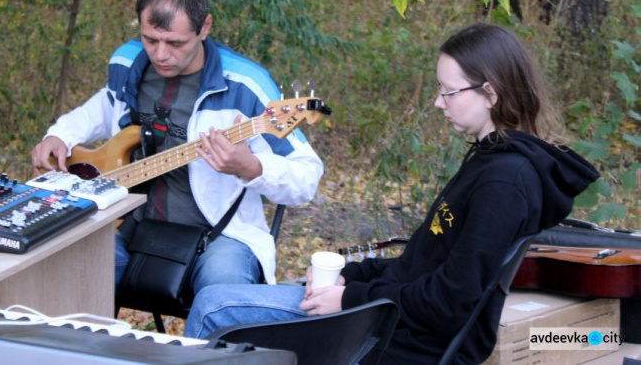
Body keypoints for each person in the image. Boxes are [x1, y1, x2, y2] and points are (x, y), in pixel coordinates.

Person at [183, 23, 600, 363]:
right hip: (386, 315)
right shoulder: (490, 160)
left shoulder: (505, 182)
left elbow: (450, 301)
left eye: (448, 92)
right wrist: (351, 275)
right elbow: (422, 263)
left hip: (398, 341)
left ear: (489, 94)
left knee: (215, 305)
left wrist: (350, 298)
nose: (439, 103)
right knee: (221, 300)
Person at [31, 0, 323, 293]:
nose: (160, 55)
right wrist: (59, 135)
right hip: (129, 226)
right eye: (150, 39)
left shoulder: (247, 85)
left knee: (222, 289)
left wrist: (252, 168)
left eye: (175, 42)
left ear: (205, 27)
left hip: (220, 235)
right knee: (65, 265)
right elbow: (102, 107)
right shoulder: (130, 62)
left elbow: (306, 178)